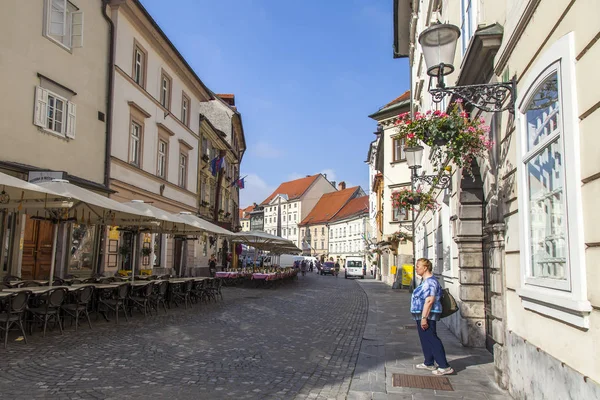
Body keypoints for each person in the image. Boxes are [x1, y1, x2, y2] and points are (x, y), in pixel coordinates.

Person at [411, 258, 453, 376]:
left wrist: (424, 318)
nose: (416, 268)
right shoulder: (425, 281)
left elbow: (429, 300)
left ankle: (444, 366)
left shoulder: (430, 282)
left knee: (432, 338)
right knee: (425, 338)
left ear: (425, 268)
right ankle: (429, 362)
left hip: (428, 314)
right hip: (421, 314)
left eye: (418, 266)